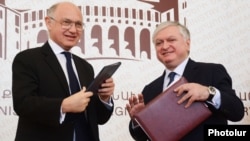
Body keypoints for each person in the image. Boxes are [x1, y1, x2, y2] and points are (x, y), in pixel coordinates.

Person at [12, 2, 114, 141]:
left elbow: (99, 119)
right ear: (49, 23)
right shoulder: (27, 59)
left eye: (78, 24)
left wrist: (104, 98)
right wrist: (63, 106)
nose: (73, 30)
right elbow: (23, 104)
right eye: (66, 22)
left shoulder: (85, 67)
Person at [126, 21, 245, 141]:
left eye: (171, 40)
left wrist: (208, 93)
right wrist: (139, 120)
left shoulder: (212, 71)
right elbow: (141, 137)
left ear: (187, 43)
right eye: (159, 43)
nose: (165, 46)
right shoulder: (150, 89)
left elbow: (237, 111)